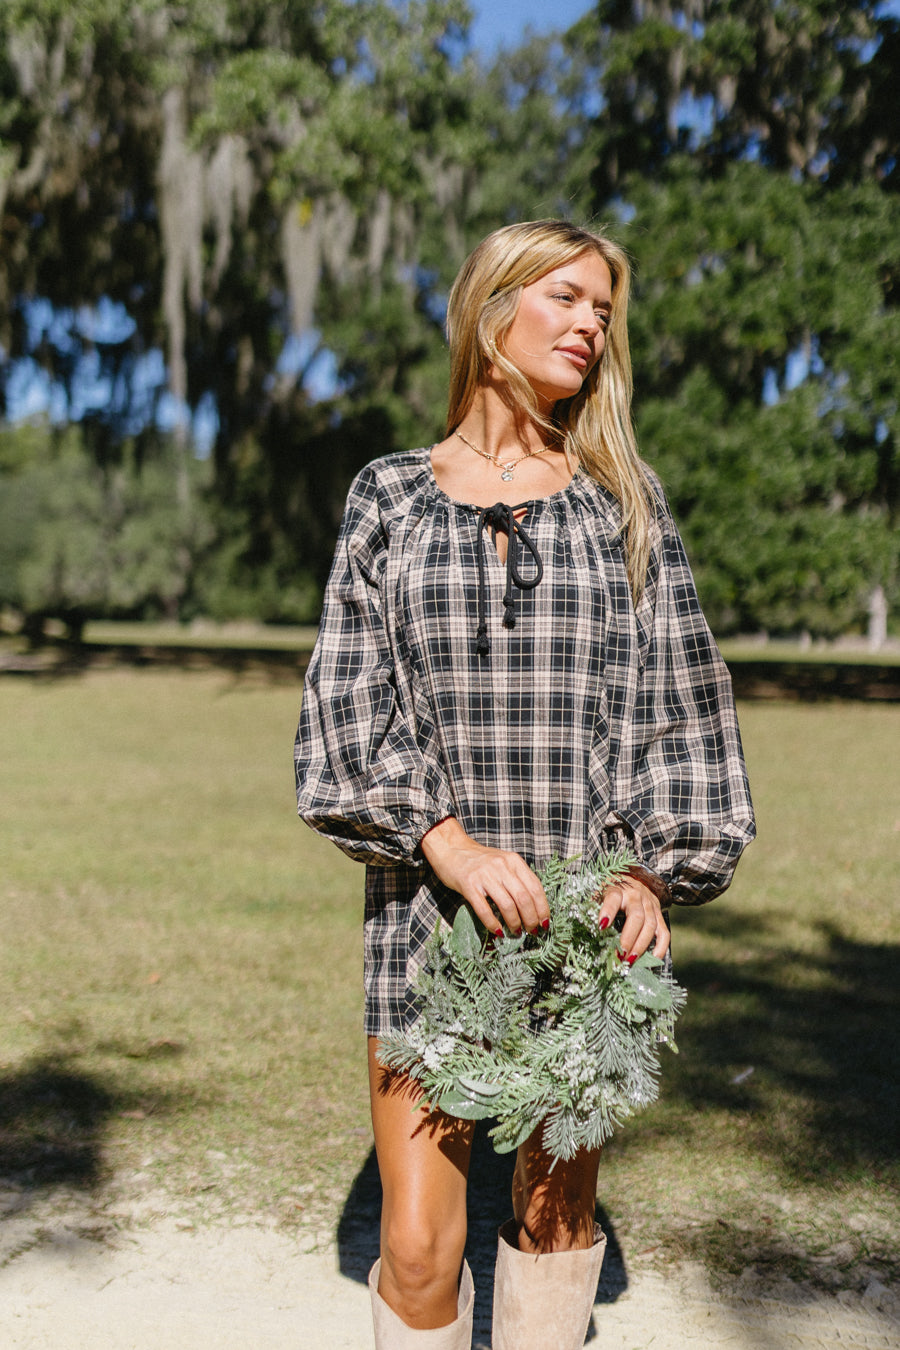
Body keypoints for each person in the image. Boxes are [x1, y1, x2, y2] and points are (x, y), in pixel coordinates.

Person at [294, 219, 755, 1350]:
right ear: (491, 307)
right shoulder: (388, 497)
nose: (591, 324)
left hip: (584, 927)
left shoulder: (621, 501)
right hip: (426, 913)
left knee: (554, 1226)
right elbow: (346, 709)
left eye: (604, 308)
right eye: (565, 296)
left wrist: (652, 875)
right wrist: (447, 844)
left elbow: (679, 700)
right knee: (417, 1248)